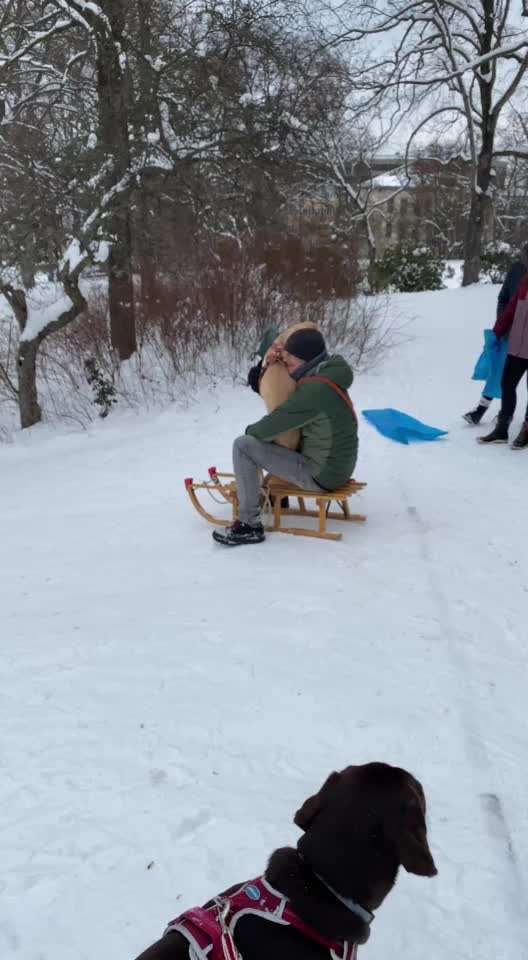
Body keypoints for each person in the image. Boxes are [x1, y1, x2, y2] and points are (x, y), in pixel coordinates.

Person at [213, 328, 358, 546]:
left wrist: (253, 435)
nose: (288, 371)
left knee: (243, 445)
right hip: (340, 467)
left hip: (322, 474)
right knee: (282, 441)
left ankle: (249, 525)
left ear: (306, 361)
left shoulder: (314, 391)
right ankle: (272, 499)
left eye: (290, 365)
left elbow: (270, 427)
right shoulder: (328, 372)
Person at [463, 243, 528, 424]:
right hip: (511, 334)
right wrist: (502, 323)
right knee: (498, 372)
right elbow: (503, 298)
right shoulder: (516, 269)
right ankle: (481, 410)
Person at [478, 271, 528, 448]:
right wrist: (498, 330)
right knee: (507, 384)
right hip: (518, 345)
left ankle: (527, 430)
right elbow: (513, 307)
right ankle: (502, 429)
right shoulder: (526, 278)